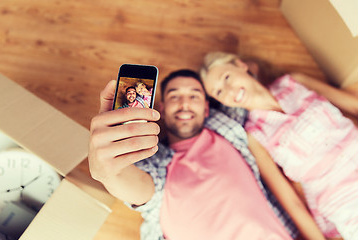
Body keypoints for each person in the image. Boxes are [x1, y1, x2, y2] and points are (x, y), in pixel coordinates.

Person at [88, 70, 325, 240]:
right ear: (160, 108)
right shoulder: (157, 163)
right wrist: (109, 173)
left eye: (194, 96)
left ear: (207, 107)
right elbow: (140, 187)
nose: (184, 103)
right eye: (174, 96)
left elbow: (249, 70)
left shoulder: (231, 128)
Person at [200, 51, 358, 240]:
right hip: (342, 201)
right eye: (218, 92)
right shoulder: (254, 136)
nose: (228, 90)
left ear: (240, 65)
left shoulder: (295, 82)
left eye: (226, 78)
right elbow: (291, 202)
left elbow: (354, 106)